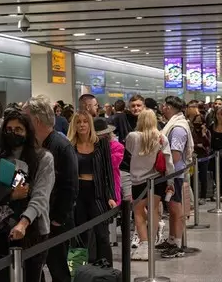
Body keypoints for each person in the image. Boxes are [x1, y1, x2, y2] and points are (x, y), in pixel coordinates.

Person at [0, 110, 55, 282]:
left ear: (28, 131)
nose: (13, 133)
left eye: (18, 129)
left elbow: (41, 196)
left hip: (34, 230)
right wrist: (11, 195)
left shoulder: (44, 158)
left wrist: (24, 222)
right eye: (9, 129)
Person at [23, 96, 78, 282]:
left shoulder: (61, 146)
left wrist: (57, 219)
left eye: (25, 117)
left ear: (36, 120)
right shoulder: (31, 146)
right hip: (37, 219)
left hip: (56, 221)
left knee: (59, 267)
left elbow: (70, 186)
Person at [67, 110, 117, 264]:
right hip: (78, 195)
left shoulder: (101, 143)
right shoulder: (70, 146)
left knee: (102, 235)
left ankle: (106, 272)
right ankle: (77, 273)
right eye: (78, 122)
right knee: (78, 238)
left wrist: (111, 196)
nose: (82, 125)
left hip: (97, 194)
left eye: (85, 121)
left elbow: (109, 172)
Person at [125, 109, 175, 260]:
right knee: (153, 210)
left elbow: (128, 150)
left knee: (138, 212)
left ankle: (145, 244)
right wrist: (170, 181)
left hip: (137, 181)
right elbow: (169, 163)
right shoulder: (162, 138)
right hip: (157, 180)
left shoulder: (132, 137)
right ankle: (151, 243)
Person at [158, 96, 194, 258]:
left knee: (176, 209)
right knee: (172, 210)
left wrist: (164, 167)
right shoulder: (174, 124)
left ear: (170, 107)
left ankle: (177, 244)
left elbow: (176, 155)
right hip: (173, 173)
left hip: (175, 174)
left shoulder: (178, 128)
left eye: (165, 106)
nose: (162, 108)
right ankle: (172, 239)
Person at [188, 108, 211, 205]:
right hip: (193, 157)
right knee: (193, 177)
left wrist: (204, 134)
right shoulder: (191, 131)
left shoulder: (207, 132)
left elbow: (208, 144)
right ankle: (194, 196)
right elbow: (191, 143)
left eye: (200, 121)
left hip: (203, 156)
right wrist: (197, 145)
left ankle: (203, 196)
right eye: (196, 121)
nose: (198, 123)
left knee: (203, 177)